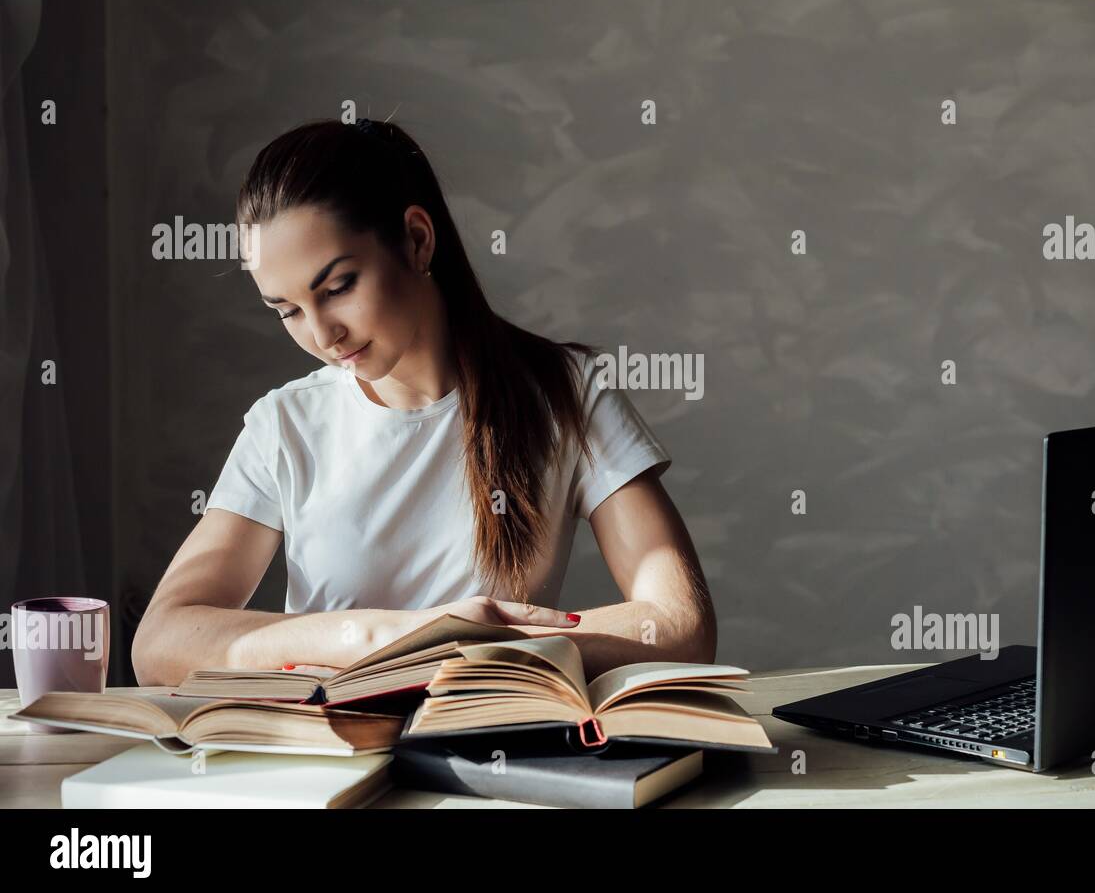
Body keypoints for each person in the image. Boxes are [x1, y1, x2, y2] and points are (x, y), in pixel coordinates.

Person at [131, 118, 715, 687]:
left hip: (490, 757)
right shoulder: (285, 425)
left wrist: (487, 645)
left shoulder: (567, 393)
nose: (322, 335)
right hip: (328, 762)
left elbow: (679, 624)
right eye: (286, 310)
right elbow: (161, 643)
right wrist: (377, 639)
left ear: (416, 239)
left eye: (338, 288)